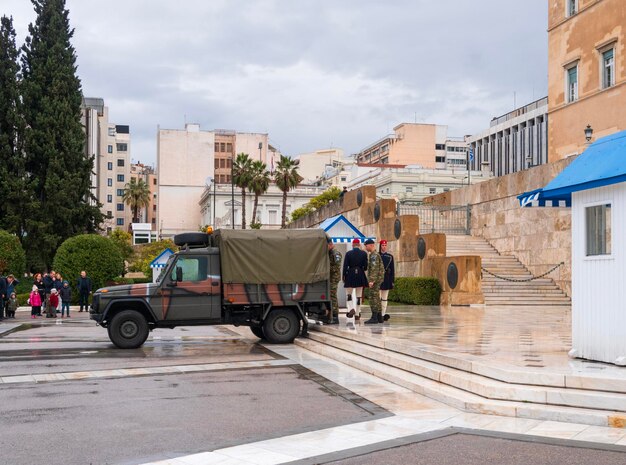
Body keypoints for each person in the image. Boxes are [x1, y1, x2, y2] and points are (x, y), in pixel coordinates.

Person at [343, 238, 368, 321]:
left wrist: (343, 275)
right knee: (359, 296)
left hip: (350, 274)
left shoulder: (348, 254)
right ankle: (357, 314)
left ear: (353, 245)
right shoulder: (364, 253)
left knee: (349, 294)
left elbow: (345, 266)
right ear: (359, 245)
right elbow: (366, 266)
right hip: (360, 274)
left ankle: (351, 309)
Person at [364, 238, 384, 324]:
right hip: (377, 279)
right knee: (376, 298)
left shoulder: (374, 255)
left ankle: (374, 317)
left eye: (366, 245)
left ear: (371, 245)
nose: (365, 247)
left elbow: (375, 269)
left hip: (375, 280)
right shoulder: (373, 254)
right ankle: (379, 317)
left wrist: (371, 280)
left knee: (373, 298)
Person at [326, 238, 342, 324]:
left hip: (334, 278)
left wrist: (326, 269)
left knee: (333, 296)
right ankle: (330, 315)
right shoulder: (330, 253)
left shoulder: (336, 253)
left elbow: (336, 267)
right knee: (330, 296)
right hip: (330, 278)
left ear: (330, 244)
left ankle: (336, 317)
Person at [379, 239, 395, 323]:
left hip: (387, 279)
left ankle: (382, 314)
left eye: (385, 245)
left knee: (385, 298)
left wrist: (392, 281)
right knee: (378, 298)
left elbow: (392, 270)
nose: (384, 247)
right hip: (379, 279)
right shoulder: (377, 255)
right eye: (382, 245)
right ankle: (377, 314)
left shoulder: (390, 256)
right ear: (380, 246)